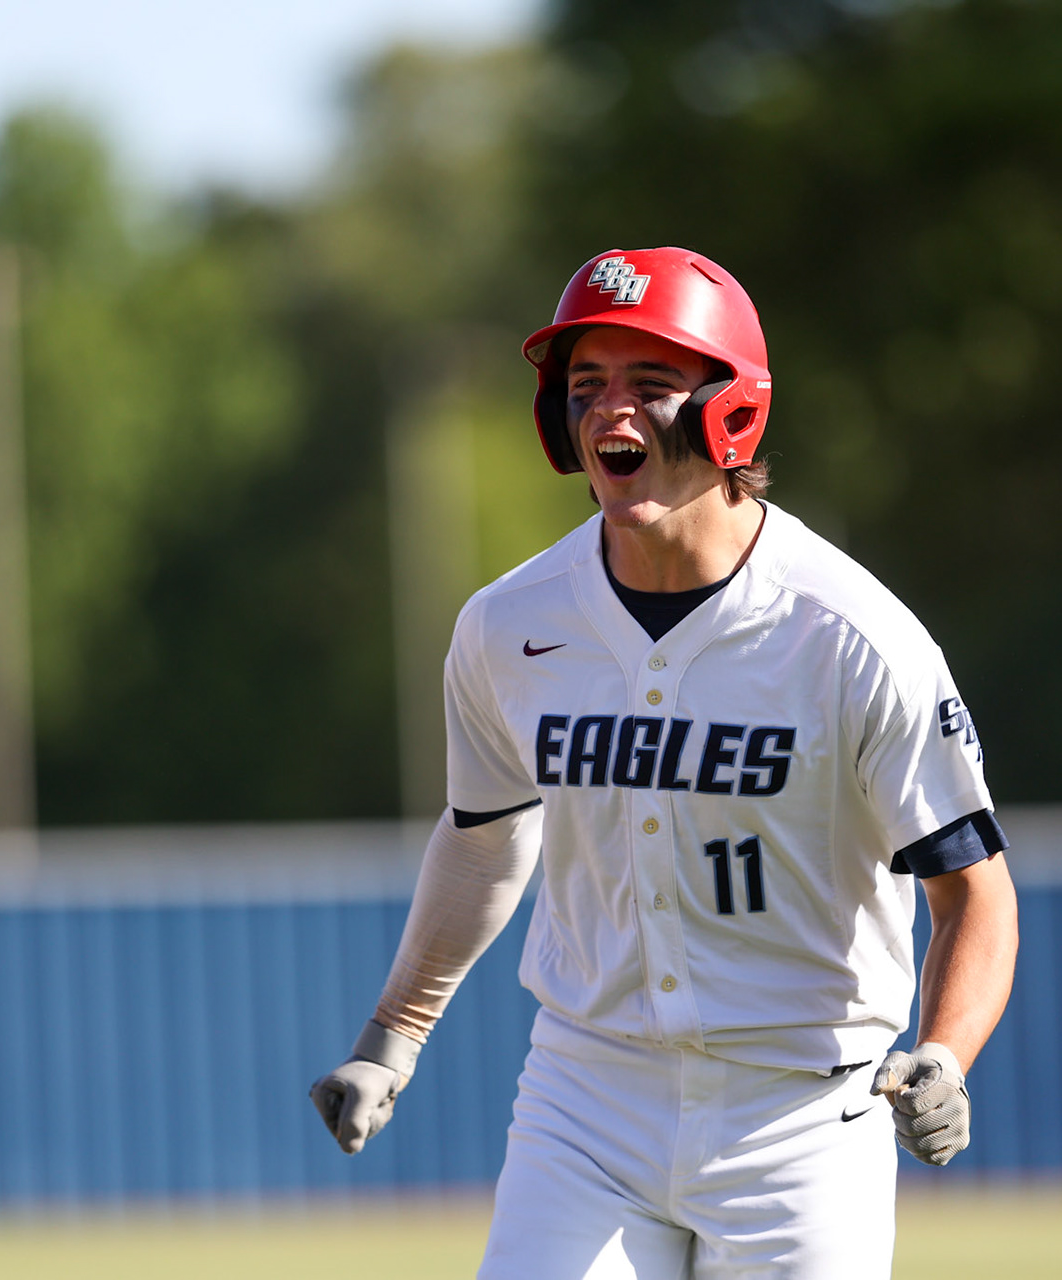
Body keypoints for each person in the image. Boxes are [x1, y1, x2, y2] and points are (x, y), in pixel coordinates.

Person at [312, 247, 1019, 1279]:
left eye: (650, 384)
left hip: (803, 1108)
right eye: (585, 386)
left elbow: (975, 894)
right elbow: (485, 839)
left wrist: (947, 1050)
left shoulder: (852, 636)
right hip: (587, 1097)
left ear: (734, 410)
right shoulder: (511, 624)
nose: (611, 414)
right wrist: (393, 1035)